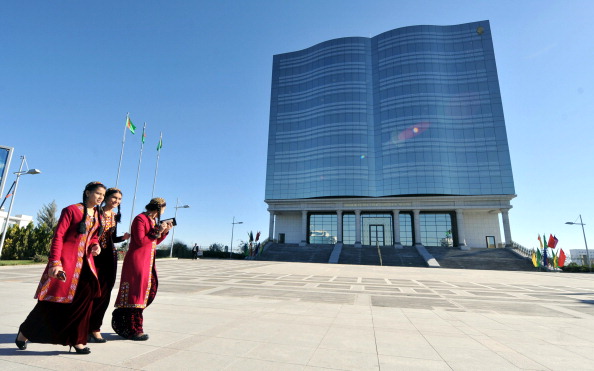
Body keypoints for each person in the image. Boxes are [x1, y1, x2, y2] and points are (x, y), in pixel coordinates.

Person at [15, 181, 106, 354]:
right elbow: (58, 237)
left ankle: (78, 340)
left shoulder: (97, 214)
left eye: (103, 195)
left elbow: (93, 237)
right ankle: (24, 332)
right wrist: (55, 263)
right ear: (87, 193)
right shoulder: (71, 210)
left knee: (84, 303)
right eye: (98, 193)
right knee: (51, 303)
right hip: (67, 263)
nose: (101, 197)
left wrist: (95, 245)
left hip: (86, 265)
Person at [111, 197, 173, 341]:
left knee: (148, 292)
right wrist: (158, 229)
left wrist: (163, 232)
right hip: (137, 262)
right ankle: (134, 328)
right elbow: (140, 241)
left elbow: (153, 242)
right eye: (163, 209)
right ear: (159, 208)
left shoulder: (152, 221)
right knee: (136, 294)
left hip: (148, 262)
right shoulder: (140, 219)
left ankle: (127, 322)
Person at [88, 188, 130, 343]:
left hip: (109, 258)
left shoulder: (114, 215)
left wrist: (122, 238)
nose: (116, 201)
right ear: (106, 197)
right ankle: (82, 327)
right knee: (89, 292)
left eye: (119, 199)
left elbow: (111, 238)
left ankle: (95, 328)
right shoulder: (94, 212)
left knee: (104, 294)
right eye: (114, 198)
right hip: (93, 256)